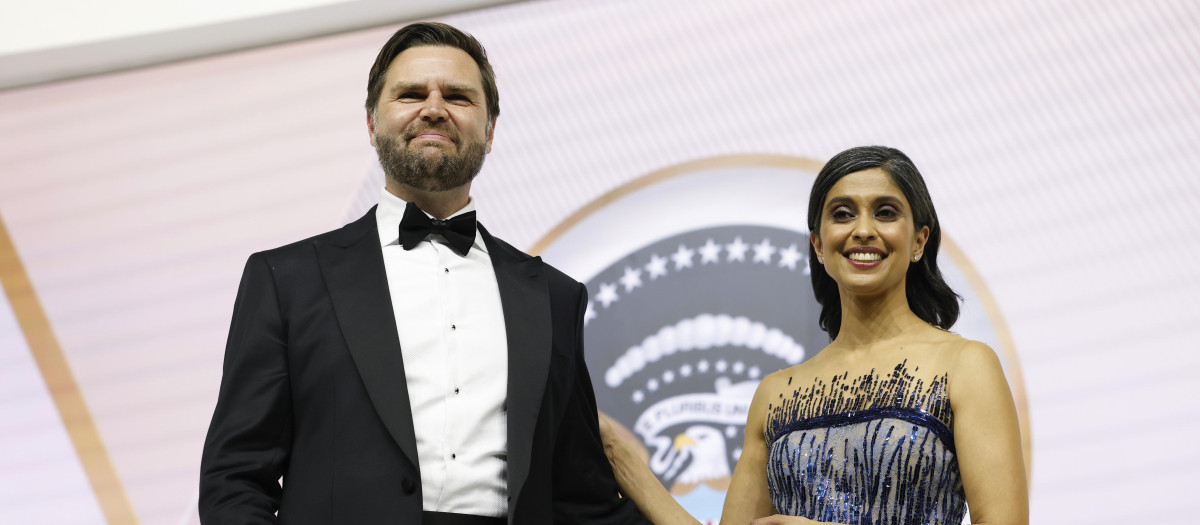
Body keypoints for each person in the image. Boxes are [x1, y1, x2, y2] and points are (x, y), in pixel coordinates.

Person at [200, 22, 648, 525]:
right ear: (371, 124)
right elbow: (236, 478)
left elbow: (580, 498)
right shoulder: (286, 280)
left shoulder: (554, 297)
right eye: (411, 93)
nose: (434, 108)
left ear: (491, 130)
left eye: (457, 96)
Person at [599, 146, 1028, 525]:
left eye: (885, 212)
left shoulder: (965, 366)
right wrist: (618, 453)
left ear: (918, 241)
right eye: (842, 214)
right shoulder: (775, 395)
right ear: (819, 245)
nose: (863, 229)